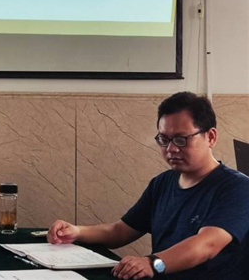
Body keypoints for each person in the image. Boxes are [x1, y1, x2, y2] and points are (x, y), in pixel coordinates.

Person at [47, 92, 249, 279]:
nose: (171, 148)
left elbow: (207, 245)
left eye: (181, 139)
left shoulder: (238, 188)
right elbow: (120, 231)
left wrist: (153, 263)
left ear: (211, 137)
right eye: (164, 139)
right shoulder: (162, 183)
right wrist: (77, 231)